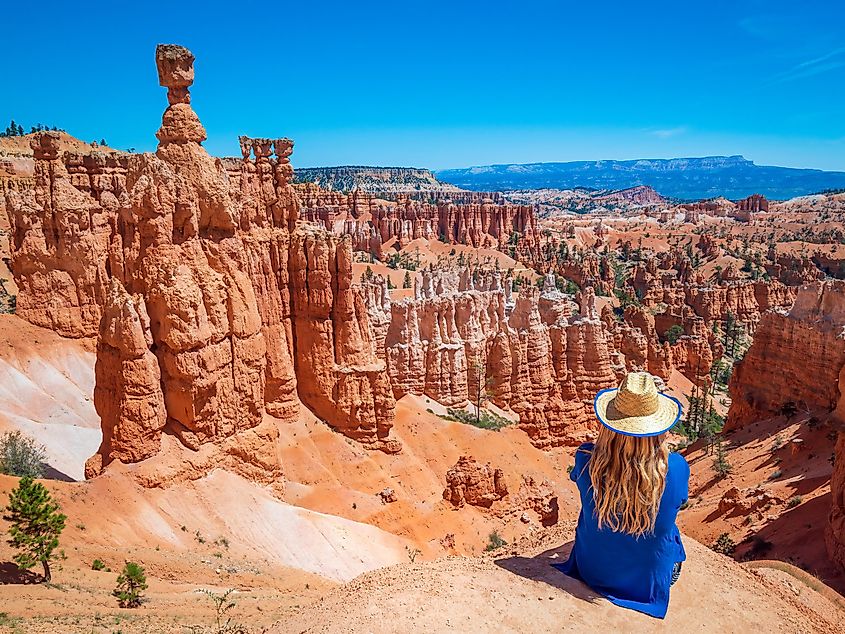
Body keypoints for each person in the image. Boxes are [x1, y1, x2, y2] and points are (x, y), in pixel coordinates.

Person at [553, 371, 689, 619]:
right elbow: (680, 502)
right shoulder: (677, 469)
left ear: (609, 424)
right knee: (671, 532)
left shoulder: (585, 460)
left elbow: (579, 481)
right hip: (645, 584)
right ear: (658, 428)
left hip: (591, 571)